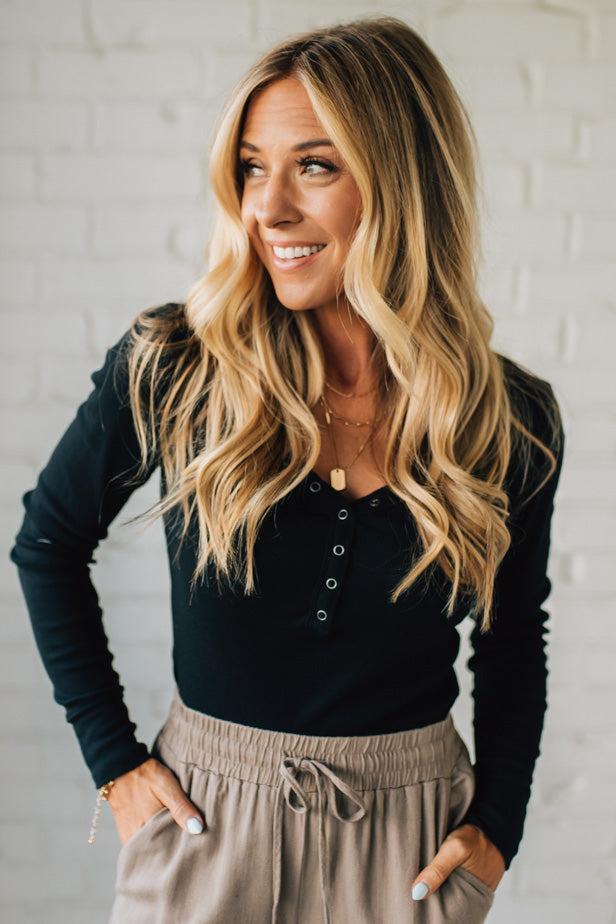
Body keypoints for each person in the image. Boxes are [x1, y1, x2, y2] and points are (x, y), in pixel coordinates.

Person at [9, 15, 565, 924]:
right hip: (201, 828)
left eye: (315, 165)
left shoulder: (510, 420)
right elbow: (48, 544)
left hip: (408, 850)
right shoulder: (177, 363)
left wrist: (498, 825)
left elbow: (512, 641)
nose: (268, 208)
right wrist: (114, 762)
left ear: (401, 182)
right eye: (251, 168)